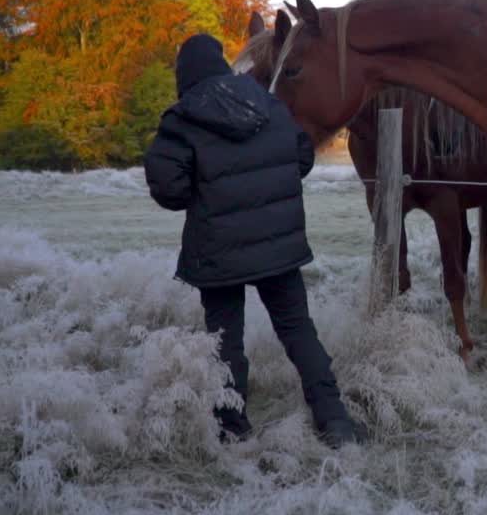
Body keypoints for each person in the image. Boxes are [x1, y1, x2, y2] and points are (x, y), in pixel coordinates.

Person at [143, 33, 367, 448]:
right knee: (299, 330)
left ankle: (232, 428)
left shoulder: (182, 118)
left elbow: (169, 190)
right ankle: (335, 421)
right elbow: (302, 157)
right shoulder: (267, 102)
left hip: (216, 251)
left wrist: (206, 190)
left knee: (225, 338)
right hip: (280, 246)